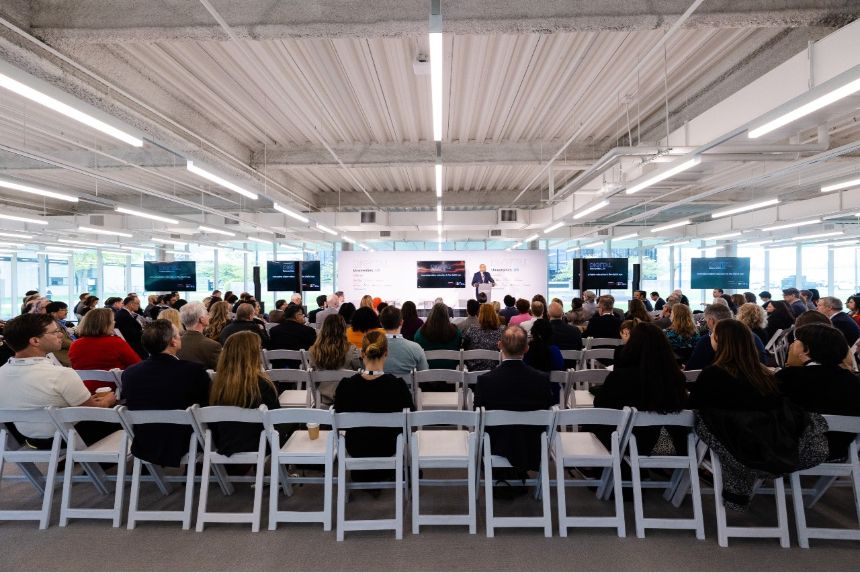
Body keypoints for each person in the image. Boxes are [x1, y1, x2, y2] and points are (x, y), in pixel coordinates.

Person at [689, 319, 828, 510]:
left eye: (712, 335)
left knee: (700, 421)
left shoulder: (713, 374)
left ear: (720, 341)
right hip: (768, 443)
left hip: (734, 441)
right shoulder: (765, 375)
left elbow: (696, 406)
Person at [0, 314, 116, 449]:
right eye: (55, 332)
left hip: (30, 439)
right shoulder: (61, 374)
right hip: (67, 437)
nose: (60, 335)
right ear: (35, 341)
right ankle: (94, 468)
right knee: (125, 417)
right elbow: (94, 411)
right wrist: (108, 400)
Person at [121, 320, 210, 467]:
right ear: (173, 342)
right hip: (186, 441)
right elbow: (204, 405)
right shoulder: (193, 371)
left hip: (145, 440)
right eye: (177, 335)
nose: (180, 337)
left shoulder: (130, 373)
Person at [593, 322, 687, 455]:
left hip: (631, 442)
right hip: (669, 442)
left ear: (632, 345)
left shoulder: (620, 377)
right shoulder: (677, 377)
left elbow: (600, 407)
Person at [473, 326, 553, 480]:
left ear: (500, 345)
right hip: (531, 445)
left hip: (496, 445)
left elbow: (479, 419)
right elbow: (545, 409)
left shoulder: (485, 381)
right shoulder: (541, 379)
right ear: (526, 348)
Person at [334, 331, 415, 482]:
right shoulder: (397, 386)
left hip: (355, 448)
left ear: (362, 353)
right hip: (389, 447)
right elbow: (410, 421)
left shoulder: (345, 386)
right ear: (386, 353)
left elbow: (338, 419)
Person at [778, 323, 860, 459]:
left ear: (806, 350)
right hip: (840, 449)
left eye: (796, 340)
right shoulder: (853, 380)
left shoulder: (789, 377)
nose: (792, 344)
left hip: (797, 450)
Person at [209, 331, 282, 456]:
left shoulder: (217, 385)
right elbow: (275, 420)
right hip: (260, 444)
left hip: (226, 443)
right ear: (253, 355)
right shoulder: (262, 385)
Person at [68, 308, 141, 392]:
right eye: (112, 320)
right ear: (105, 324)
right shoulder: (116, 342)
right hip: (114, 390)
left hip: (83, 390)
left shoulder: (75, 344)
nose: (114, 322)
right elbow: (137, 365)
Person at [686, 304, 767, 371]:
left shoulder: (707, 340)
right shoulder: (751, 336)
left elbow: (692, 368)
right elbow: (762, 361)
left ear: (711, 321)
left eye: (706, 320)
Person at [307, 314, 362, 407]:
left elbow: (313, 374)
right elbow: (358, 370)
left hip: (322, 398)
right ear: (343, 329)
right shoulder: (351, 349)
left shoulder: (313, 351)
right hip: (347, 398)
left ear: (323, 328)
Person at [379, 306, 428, 378]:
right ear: (401, 322)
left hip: (380, 388)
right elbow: (424, 374)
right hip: (408, 388)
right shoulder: (416, 348)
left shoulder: (371, 349)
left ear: (381, 323)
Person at [523, 319, 564, 401]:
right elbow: (560, 367)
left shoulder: (528, 350)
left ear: (534, 333)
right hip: (552, 395)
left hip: (530, 396)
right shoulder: (555, 350)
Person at [414, 302, 463, 369]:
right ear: (447, 316)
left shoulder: (420, 333)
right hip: (451, 374)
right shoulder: (456, 333)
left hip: (427, 374)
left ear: (431, 314)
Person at [267, 303, 317, 368]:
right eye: (302, 314)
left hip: (277, 369)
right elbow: (315, 350)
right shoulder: (308, 331)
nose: (303, 316)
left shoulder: (273, 330)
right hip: (300, 369)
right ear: (297, 316)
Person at [177, 302, 222, 371]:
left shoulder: (175, 343)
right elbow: (221, 371)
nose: (209, 316)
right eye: (207, 314)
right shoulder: (213, 346)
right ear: (201, 319)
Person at [462, 303, 505, 371]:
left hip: (473, 369)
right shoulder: (502, 331)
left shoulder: (472, 330)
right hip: (494, 370)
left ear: (480, 315)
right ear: (494, 315)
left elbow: (464, 347)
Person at [114, 295, 148, 360]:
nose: (139, 305)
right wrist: (146, 332)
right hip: (133, 347)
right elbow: (131, 334)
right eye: (137, 303)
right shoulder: (124, 315)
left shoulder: (125, 313)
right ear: (131, 304)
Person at [45, 301, 74, 367]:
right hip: (62, 354)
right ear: (53, 313)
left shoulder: (59, 323)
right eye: (63, 310)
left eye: (67, 309)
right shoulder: (52, 324)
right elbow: (62, 341)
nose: (66, 312)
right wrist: (77, 344)